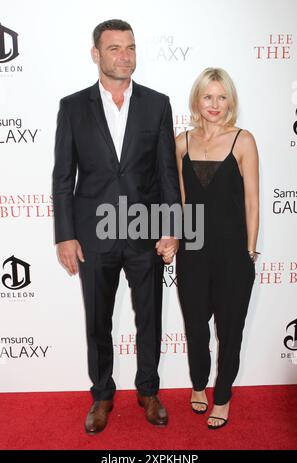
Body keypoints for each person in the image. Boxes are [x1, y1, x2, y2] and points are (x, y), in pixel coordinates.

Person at [52, 19, 180, 434]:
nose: (124, 55)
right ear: (96, 54)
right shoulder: (72, 107)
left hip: (146, 231)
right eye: (114, 48)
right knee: (97, 321)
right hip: (93, 234)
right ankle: (102, 395)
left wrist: (171, 227)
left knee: (150, 317)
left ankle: (149, 390)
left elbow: (166, 173)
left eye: (130, 47)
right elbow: (62, 178)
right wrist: (65, 235)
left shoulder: (157, 104)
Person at [175, 68, 259, 429]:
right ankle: (198, 384)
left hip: (232, 254)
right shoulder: (182, 142)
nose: (214, 104)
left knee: (230, 329)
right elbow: (177, 201)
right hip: (192, 251)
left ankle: (222, 395)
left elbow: (253, 202)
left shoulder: (243, 141)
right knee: (195, 325)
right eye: (207, 97)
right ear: (197, 99)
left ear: (230, 100)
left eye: (221, 97)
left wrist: (250, 252)